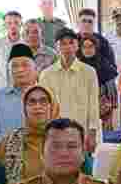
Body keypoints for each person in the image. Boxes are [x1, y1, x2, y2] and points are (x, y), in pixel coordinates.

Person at [39, 30, 102, 172]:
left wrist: (92, 134)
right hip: (56, 135)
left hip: (82, 135)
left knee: (84, 178)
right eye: (63, 43)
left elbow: (93, 106)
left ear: (77, 46)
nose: (67, 47)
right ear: (56, 47)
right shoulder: (46, 74)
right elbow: (45, 108)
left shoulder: (89, 72)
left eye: (71, 43)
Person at [0, 84, 55, 184]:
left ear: (52, 106)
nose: (38, 106)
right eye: (32, 102)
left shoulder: (67, 139)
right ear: (24, 109)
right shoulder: (10, 142)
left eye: (43, 101)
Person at [0, 44, 41, 148]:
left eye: (25, 65)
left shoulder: (45, 96)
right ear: (9, 71)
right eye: (14, 66)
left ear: (35, 69)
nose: (20, 70)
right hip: (4, 160)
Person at [79, 33, 119, 136]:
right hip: (82, 110)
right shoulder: (77, 66)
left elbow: (112, 95)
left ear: (96, 48)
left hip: (103, 111)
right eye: (84, 47)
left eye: (90, 46)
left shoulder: (105, 66)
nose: (87, 50)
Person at [0, 10, 24, 88]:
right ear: (5, 25)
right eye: (9, 23)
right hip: (1, 89)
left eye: (16, 22)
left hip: (21, 89)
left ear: (21, 24)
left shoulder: (26, 45)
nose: (13, 26)